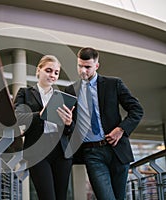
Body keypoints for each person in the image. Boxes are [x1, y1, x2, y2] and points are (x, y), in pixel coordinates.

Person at [65, 47, 143, 200]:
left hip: (116, 150)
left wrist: (121, 129)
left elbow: (137, 110)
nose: (83, 71)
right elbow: (71, 127)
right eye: (80, 66)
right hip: (92, 154)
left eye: (87, 67)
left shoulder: (113, 84)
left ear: (96, 66)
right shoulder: (70, 90)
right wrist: (68, 124)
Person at [13, 55, 75, 200]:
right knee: (47, 196)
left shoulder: (63, 97)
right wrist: (40, 114)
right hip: (37, 150)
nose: (52, 75)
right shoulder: (25, 93)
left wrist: (68, 123)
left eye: (56, 72)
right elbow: (17, 118)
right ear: (38, 71)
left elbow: (70, 131)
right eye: (48, 70)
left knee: (61, 197)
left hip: (61, 151)